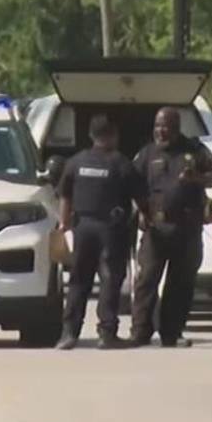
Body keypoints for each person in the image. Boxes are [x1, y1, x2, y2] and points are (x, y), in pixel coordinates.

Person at [130, 107, 212, 348]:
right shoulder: (147, 153)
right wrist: (140, 211)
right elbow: (132, 183)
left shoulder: (195, 151)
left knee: (181, 282)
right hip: (156, 228)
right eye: (157, 126)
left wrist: (196, 178)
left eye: (166, 127)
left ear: (177, 128)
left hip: (187, 227)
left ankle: (171, 332)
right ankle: (140, 331)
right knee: (147, 279)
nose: (160, 131)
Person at [54, 115, 145, 350]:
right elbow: (141, 197)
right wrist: (148, 218)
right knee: (110, 280)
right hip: (110, 230)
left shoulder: (75, 162)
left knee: (78, 281)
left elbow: (64, 196)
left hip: (82, 228)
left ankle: (69, 334)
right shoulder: (121, 163)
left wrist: (64, 225)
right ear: (114, 135)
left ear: (91, 135)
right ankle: (107, 334)